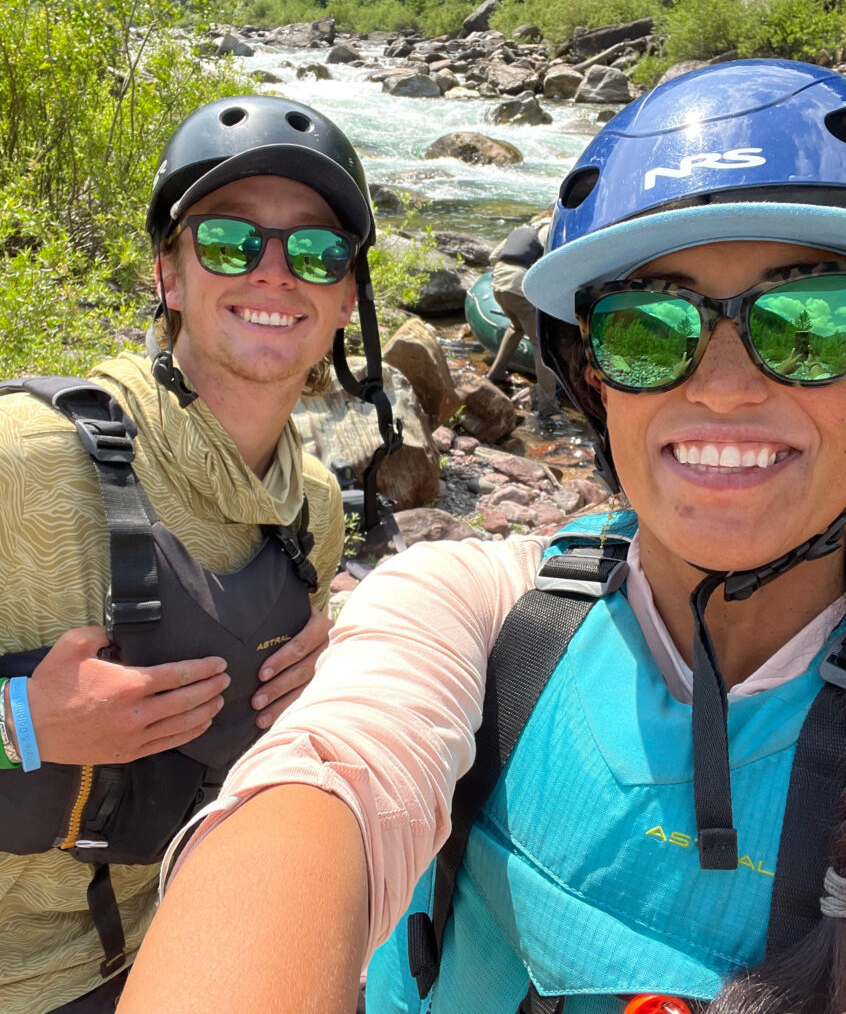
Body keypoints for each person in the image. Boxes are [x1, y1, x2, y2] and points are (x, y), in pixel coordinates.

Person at [119, 58, 846, 1014]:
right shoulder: (481, 604)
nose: (722, 387)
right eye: (648, 331)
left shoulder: (312, 504)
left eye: (810, 324)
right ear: (590, 378)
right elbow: (327, 779)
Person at [0, 93, 388, 1013]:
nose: (274, 274)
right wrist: (22, 721)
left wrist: (335, 671)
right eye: (229, 241)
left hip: (179, 944)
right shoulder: (23, 462)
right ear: (170, 275)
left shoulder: (316, 509)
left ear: (345, 297)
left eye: (318, 252)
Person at [485, 209, 559, 417]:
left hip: (498, 284)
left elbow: (493, 256)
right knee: (541, 343)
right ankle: (548, 406)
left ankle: (495, 374)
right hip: (518, 286)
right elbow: (548, 264)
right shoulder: (549, 230)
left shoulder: (524, 228)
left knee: (515, 328)